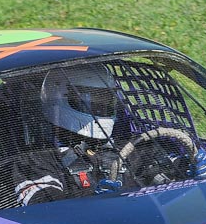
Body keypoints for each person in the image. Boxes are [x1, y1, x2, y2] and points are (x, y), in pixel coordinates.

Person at [13, 64, 125, 206]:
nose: (99, 108)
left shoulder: (128, 149)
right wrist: (97, 201)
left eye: (105, 101)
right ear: (59, 99)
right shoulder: (36, 160)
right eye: (89, 101)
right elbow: (47, 209)